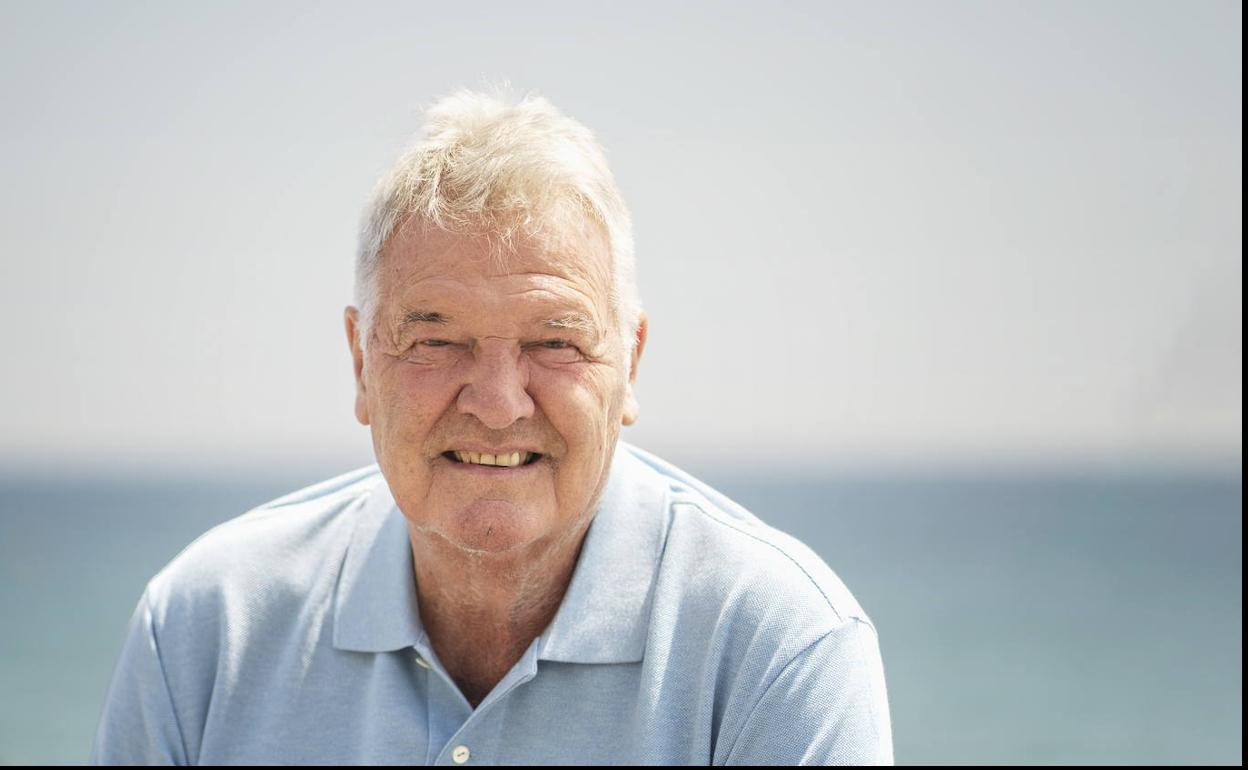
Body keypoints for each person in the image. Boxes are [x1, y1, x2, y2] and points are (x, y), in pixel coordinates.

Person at [90, 90, 894, 765]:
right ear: (361, 362)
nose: (499, 401)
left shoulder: (781, 649)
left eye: (556, 341)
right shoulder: (203, 630)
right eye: (436, 340)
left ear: (631, 365)